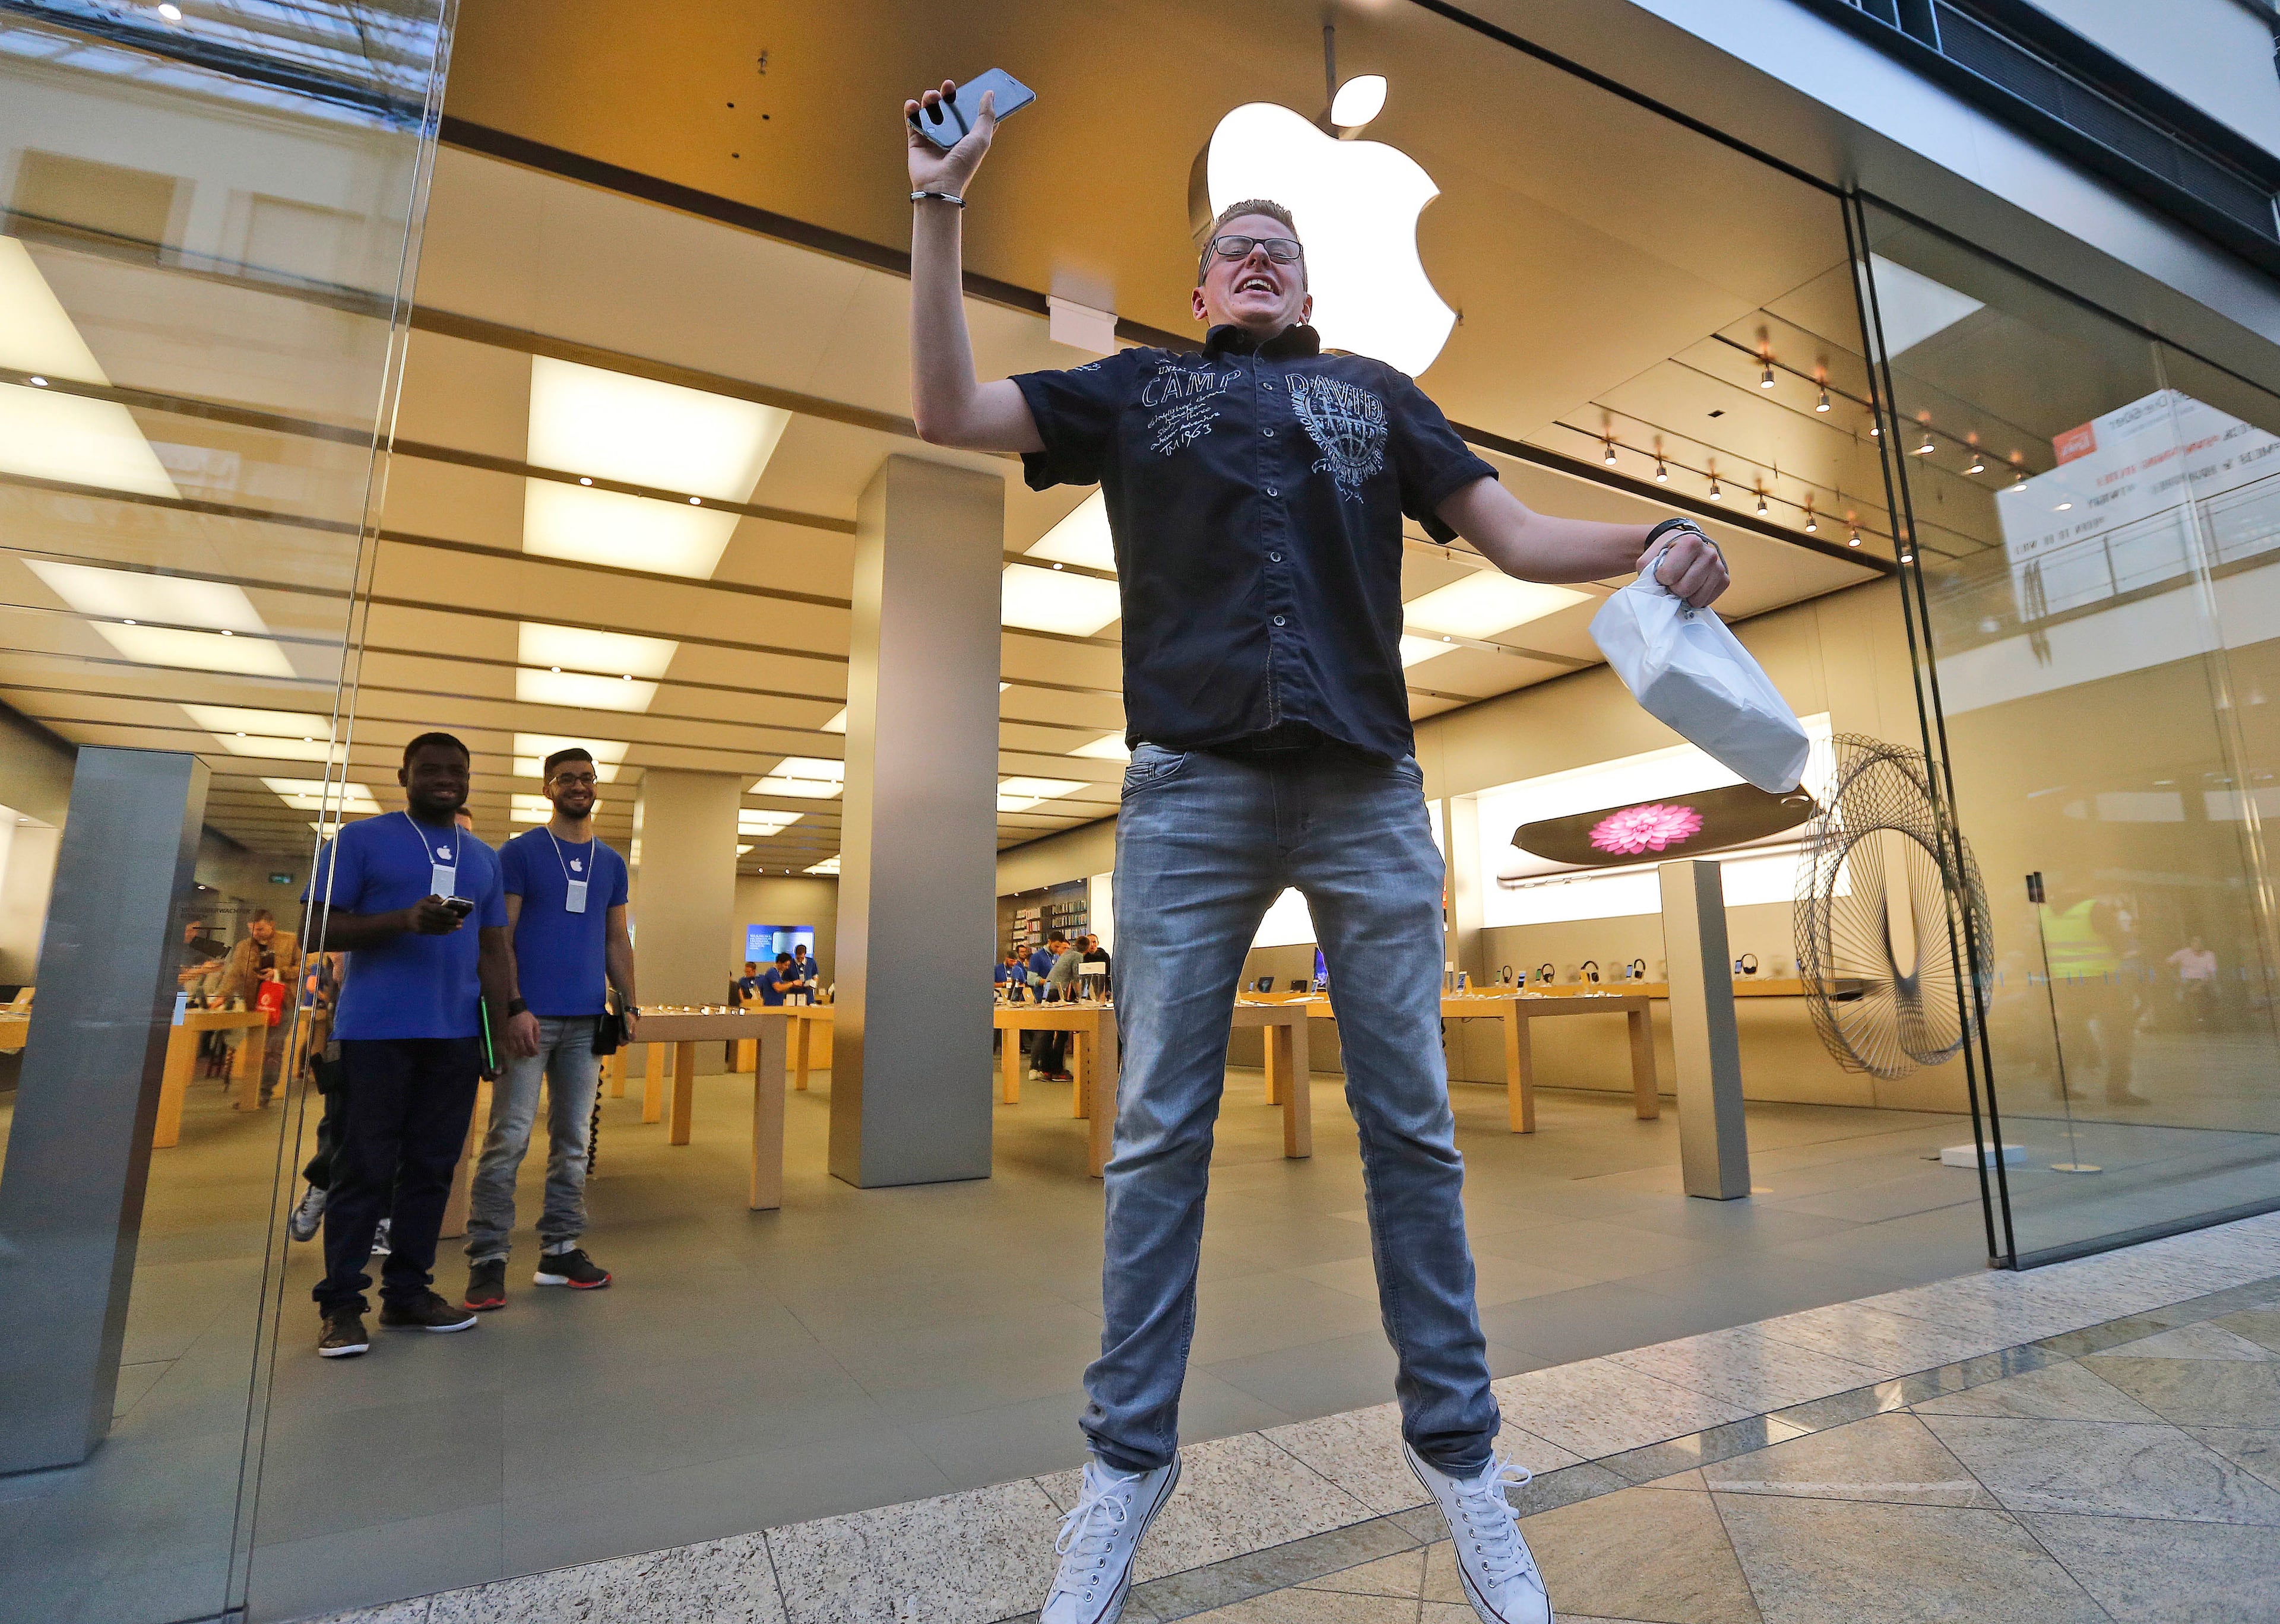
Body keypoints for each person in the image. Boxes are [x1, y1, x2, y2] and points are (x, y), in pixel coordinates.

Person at [904, 80, 1731, 1624]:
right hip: (1189, 793)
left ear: (1310, 284)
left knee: (1412, 1128)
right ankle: (1127, 1463)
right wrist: (939, 207)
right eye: (1234, 244)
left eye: (1279, 239)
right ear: (1203, 291)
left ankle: (1464, 1460)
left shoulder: (1382, 399)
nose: (1258, 252)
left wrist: (1655, 537)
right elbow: (948, 412)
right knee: (1157, 1130)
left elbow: (1523, 533)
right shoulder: (1134, 392)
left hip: (1364, 790)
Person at [302, 732, 534, 1359]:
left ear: (468, 778)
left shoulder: (483, 858)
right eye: (429, 769)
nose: (444, 778)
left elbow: (493, 952)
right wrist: (400, 920)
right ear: (404, 774)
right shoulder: (359, 840)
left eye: (456, 770)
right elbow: (314, 928)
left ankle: (407, 1294)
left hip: (454, 1037)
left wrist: (494, 1028)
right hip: (374, 1035)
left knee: (434, 1170)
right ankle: (342, 1305)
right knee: (364, 1170)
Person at [464, 747, 636, 1312]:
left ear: (596, 787)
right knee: (508, 1139)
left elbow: (616, 939)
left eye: (587, 778)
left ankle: (561, 1250)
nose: (579, 786)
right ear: (548, 789)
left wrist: (630, 1002)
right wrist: (513, 1007)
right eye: (567, 778)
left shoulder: (610, 863)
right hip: (528, 1022)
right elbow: (501, 937)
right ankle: (488, 1260)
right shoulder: (518, 854)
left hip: (588, 1023)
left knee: (572, 1143)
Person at [216, 908, 302, 1105]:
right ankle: (250, 1094)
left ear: (272, 925)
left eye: (261, 929)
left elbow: (304, 966)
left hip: (283, 1002)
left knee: (273, 1048)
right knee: (256, 1049)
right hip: (254, 1003)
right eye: (252, 930)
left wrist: (278, 972)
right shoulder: (244, 947)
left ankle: (264, 1093)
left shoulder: (291, 941)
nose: (256, 934)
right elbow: (234, 974)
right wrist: (221, 996)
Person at [2168, 935, 2219, 1029]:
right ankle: (2189, 1024)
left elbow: (2211, 973)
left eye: (2200, 943)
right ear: (2191, 945)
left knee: (2212, 996)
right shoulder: (2184, 953)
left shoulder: (2209, 955)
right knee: (2183, 998)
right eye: (2195, 943)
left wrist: (2199, 986)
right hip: (2187, 981)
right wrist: (2176, 979)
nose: (2198, 945)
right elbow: (2169, 963)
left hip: (2203, 981)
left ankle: (2209, 1023)